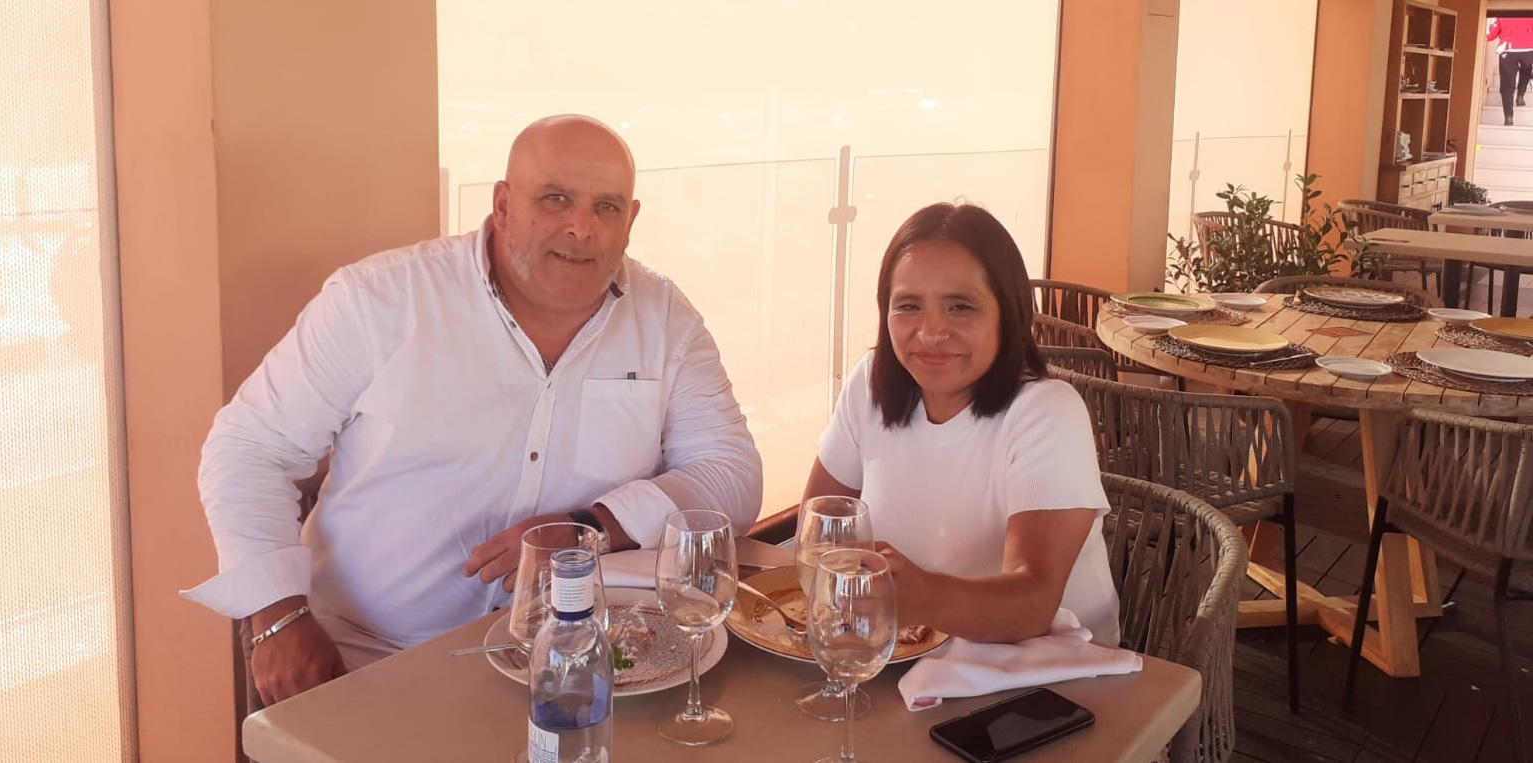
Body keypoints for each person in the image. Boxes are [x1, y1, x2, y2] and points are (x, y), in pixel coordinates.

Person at [183, 115, 762, 706]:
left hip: (581, 662)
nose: (580, 228)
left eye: (606, 207)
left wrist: (590, 527)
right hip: (369, 660)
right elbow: (249, 448)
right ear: (504, 205)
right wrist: (277, 618)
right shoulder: (380, 300)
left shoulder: (664, 318)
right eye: (555, 199)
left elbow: (733, 473)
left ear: (631, 221)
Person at [802, 202, 1119, 647]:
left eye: (961, 307)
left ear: (1008, 314)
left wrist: (921, 596)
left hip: (1054, 673)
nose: (931, 332)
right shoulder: (869, 385)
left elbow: (1033, 601)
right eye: (908, 305)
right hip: (909, 657)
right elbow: (821, 528)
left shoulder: (1048, 413)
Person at [1488, 16, 1533, 125]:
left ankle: (1508, 117)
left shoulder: (1501, 11)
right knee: (1527, 70)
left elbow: (1491, 34)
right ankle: (1520, 96)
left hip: (1507, 48)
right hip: (1528, 46)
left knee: (1507, 84)